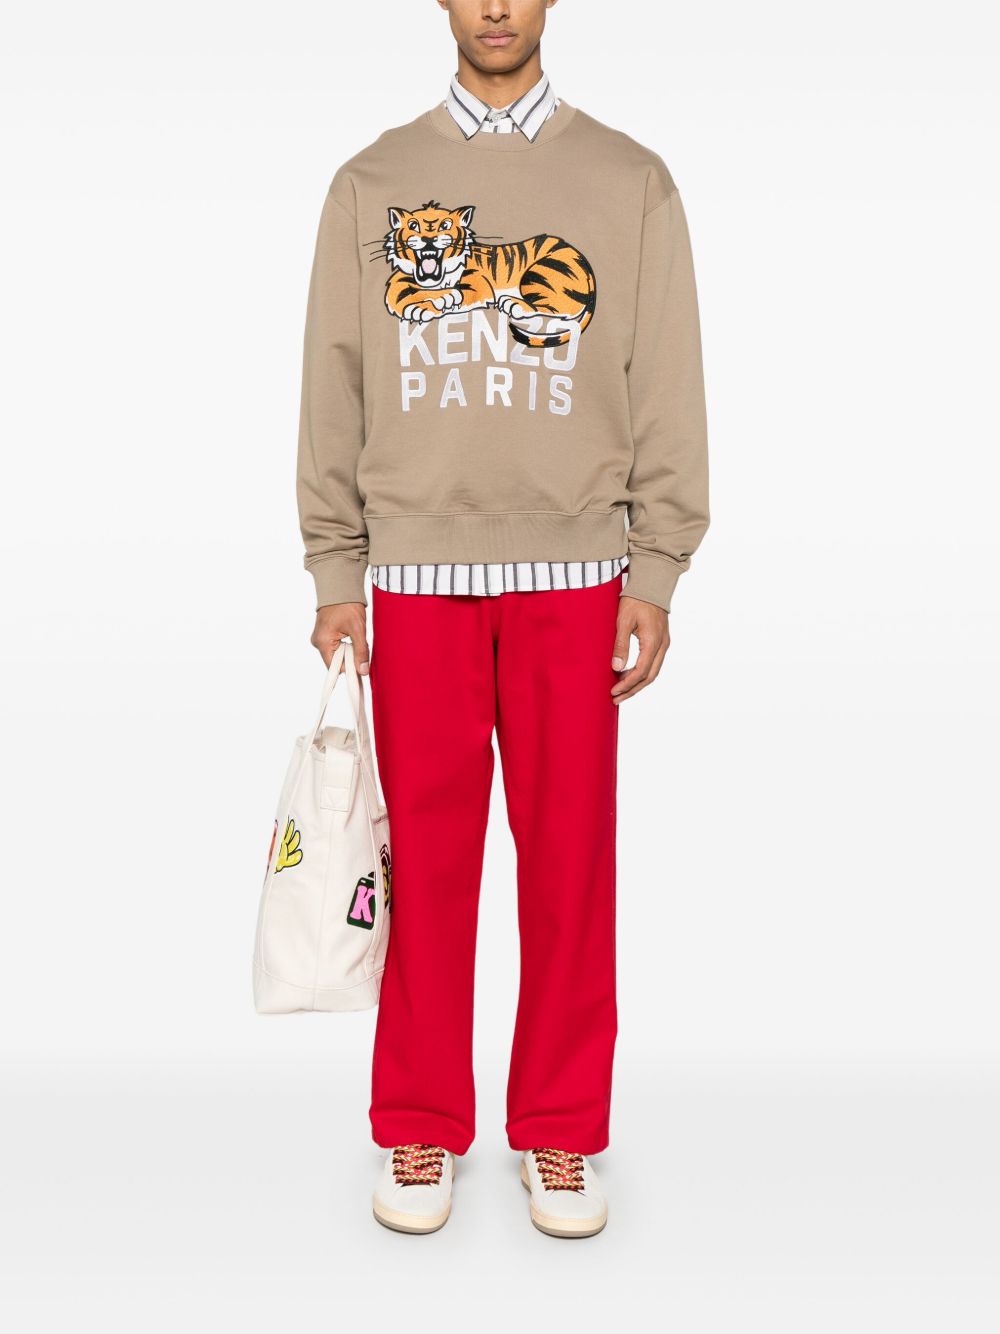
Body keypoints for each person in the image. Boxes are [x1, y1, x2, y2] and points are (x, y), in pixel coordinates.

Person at [297, 0, 709, 1239]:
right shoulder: (371, 183)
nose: (493, 7)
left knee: (570, 867)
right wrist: (334, 565)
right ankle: (420, 1118)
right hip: (416, 577)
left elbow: (666, 379)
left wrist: (656, 566)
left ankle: (561, 1128)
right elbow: (333, 382)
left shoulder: (630, 181)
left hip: (575, 574)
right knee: (422, 872)